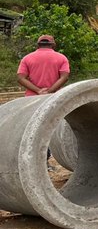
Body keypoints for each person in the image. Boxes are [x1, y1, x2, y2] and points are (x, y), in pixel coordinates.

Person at [17, 34, 70, 172]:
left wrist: (37, 90)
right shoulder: (61, 58)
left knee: (34, 130)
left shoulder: (27, 58)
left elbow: (20, 77)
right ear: (53, 44)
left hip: (32, 99)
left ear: (38, 45)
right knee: (51, 130)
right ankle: (45, 161)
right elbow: (64, 77)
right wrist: (50, 91)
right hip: (54, 98)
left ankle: (34, 163)